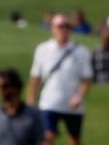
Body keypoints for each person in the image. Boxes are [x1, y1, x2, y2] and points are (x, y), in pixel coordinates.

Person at [28, 13, 93, 145]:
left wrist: (80, 96)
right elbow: (35, 77)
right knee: (47, 137)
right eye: (60, 26)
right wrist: (31, 101)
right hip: (49, 101)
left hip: (72, 105)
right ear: (53, 28)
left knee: (74, 139)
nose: (63, 29)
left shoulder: (81, 51)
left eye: (67, 26)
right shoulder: (43, 49)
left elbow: (87, 79)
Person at [0, 67, 47, 145]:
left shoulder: (33, 115)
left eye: (5, 86)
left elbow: (42, 141)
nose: (0, 89)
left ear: (16, 87)